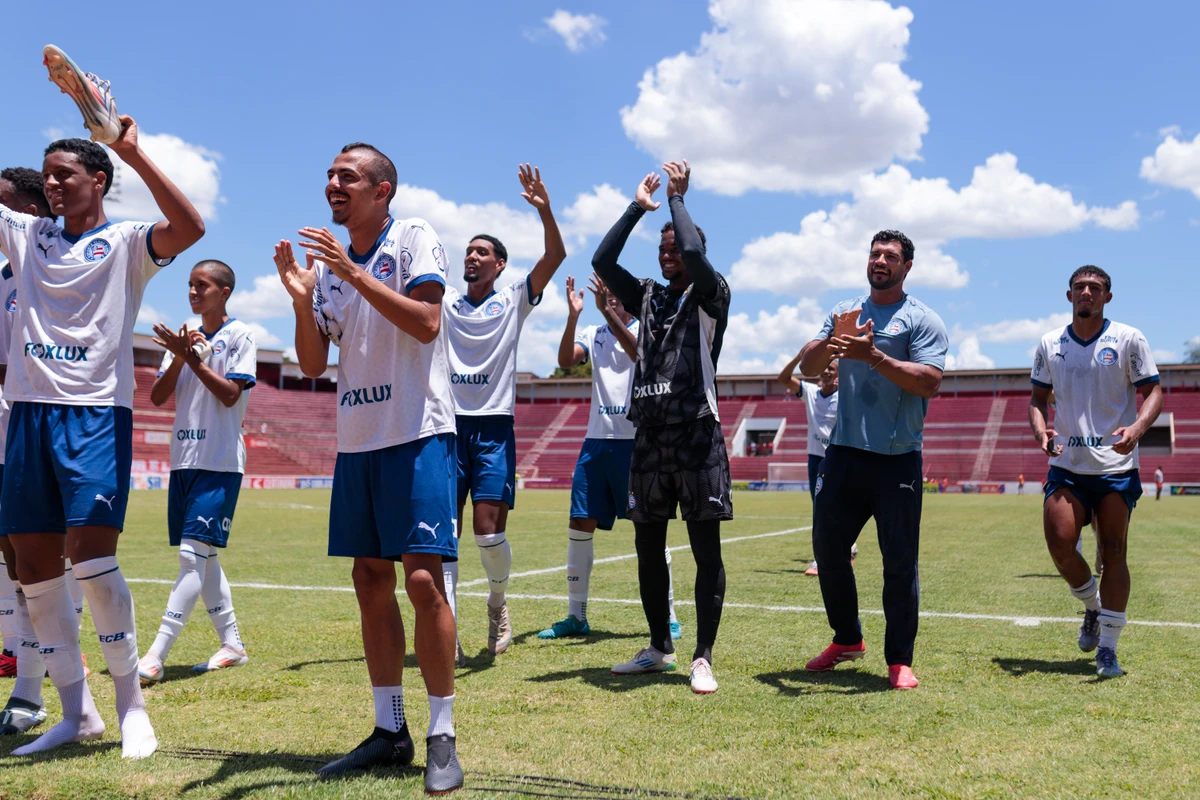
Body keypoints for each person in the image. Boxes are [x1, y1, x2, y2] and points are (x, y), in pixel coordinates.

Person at [0, 114, 204, 759]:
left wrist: (134, 150)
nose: (53, 184)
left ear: (100, 180)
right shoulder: (26, 233)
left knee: (90, 558)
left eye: (67, 174)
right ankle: (76, 713)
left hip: (92, 415)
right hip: (28, 414)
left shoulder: (126, 242)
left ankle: (130, 706)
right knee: (34, 568)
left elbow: (192, 228)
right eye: (49, 174)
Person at [275, 143, 462, 793]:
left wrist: (352, 276)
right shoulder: (326, 266)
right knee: (368, 579)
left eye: (347, 176)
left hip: (417, 433)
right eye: (328, 174)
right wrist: (303, 299)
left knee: (421, 581)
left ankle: (442, 734)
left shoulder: (411, 236)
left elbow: (428, 322)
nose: (332, 183)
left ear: (382, 190)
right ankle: (390, 731)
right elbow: (311, 364)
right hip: (358, 440)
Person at [593, 162, 732, 695]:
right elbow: (603, 260)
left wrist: (677, 200)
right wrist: (638, 208)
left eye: (677, 246)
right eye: (663, 247)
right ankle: (659, 648)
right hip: (649, 434)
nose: (669, 252)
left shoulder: (712, 291)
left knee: (705, 551)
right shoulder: (648, 294)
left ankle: (702, 656)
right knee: (647, 549)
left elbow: (696, 256)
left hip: (698, 432)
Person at [797, 230, 948, 690]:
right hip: (842, 453)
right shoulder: (846, 312)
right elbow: (807, 366)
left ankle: (899, 659)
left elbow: (928, 382)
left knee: (899, 561)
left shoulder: (923, 320)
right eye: (875, 253)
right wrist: (833, 342)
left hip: (896, 459)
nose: (881, 260)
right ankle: (847, 639)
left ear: (906, 267)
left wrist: (874, 356)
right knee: (827, 547)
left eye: (891, 256)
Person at [441, 165, 566, 659]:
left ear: (499, 265)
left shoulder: (514, 299)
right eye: (468, 251)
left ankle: (497, 603)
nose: (471, 256)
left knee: (488, 533)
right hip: (446, 430)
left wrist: (544, 209)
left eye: (482, 252)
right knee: (441, 534)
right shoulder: (445, 302)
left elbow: (555, 255)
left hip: (493, 431)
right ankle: (445, 627)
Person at [1029, 265, 1162, 679]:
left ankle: (1108, 649)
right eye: (1080, 287)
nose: (1087, 292)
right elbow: (1036, 399)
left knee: (1114, 551)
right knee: (1061, 544)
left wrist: (1138, 429)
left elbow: (1153, 391)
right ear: (1068, 295)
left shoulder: (1128, 339)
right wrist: (1041, 432)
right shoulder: (1050, 344)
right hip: (1067, 464)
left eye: (1096, 287)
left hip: (1115, 465)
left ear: (1107, 296)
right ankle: (1092, 608)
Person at [538, 274, 682, 641]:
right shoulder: (593, 332)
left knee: (649, 529)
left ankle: (668, 614)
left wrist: (610, 315)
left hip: (637, 440)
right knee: (578, 523)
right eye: (605, 295)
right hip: (596, 442)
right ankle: (576, 615)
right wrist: (574, 316)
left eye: (613, 295)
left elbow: (641, 357)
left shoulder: (649, 328)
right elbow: (565, 360)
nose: (608, 299)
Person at [136, 260, 257, 685]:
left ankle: (154, 655)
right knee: (204, 558)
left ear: (224, 291)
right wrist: (180, 357)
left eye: (202, 285)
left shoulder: (241, 335)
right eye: (190, 285)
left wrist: (196, 359)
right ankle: (233, 645)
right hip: (184, 459)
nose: (193, 291)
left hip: (219, 461)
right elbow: (156, 396)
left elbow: (229, 396)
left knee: (191, 556)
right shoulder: (185, 336)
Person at [0, 166, 88, 736]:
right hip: (4, 433)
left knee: (45, 565)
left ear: (31, 215)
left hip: (45, 431)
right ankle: (29, 683)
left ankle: (34, 692)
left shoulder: (60, 269)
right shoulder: (4, 274)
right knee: (14, 565)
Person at [776, 355, 852, 576]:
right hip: (816, 460)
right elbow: (783, 378)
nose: (827, 371)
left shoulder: (845, 396)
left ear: (839, 374)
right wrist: (800, 356)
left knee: (835, 510)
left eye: (832, 369)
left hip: (838, 458)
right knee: (821, 512)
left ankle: (831, 556)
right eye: (825, 367)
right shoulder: (810, 392)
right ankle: (835, 554)